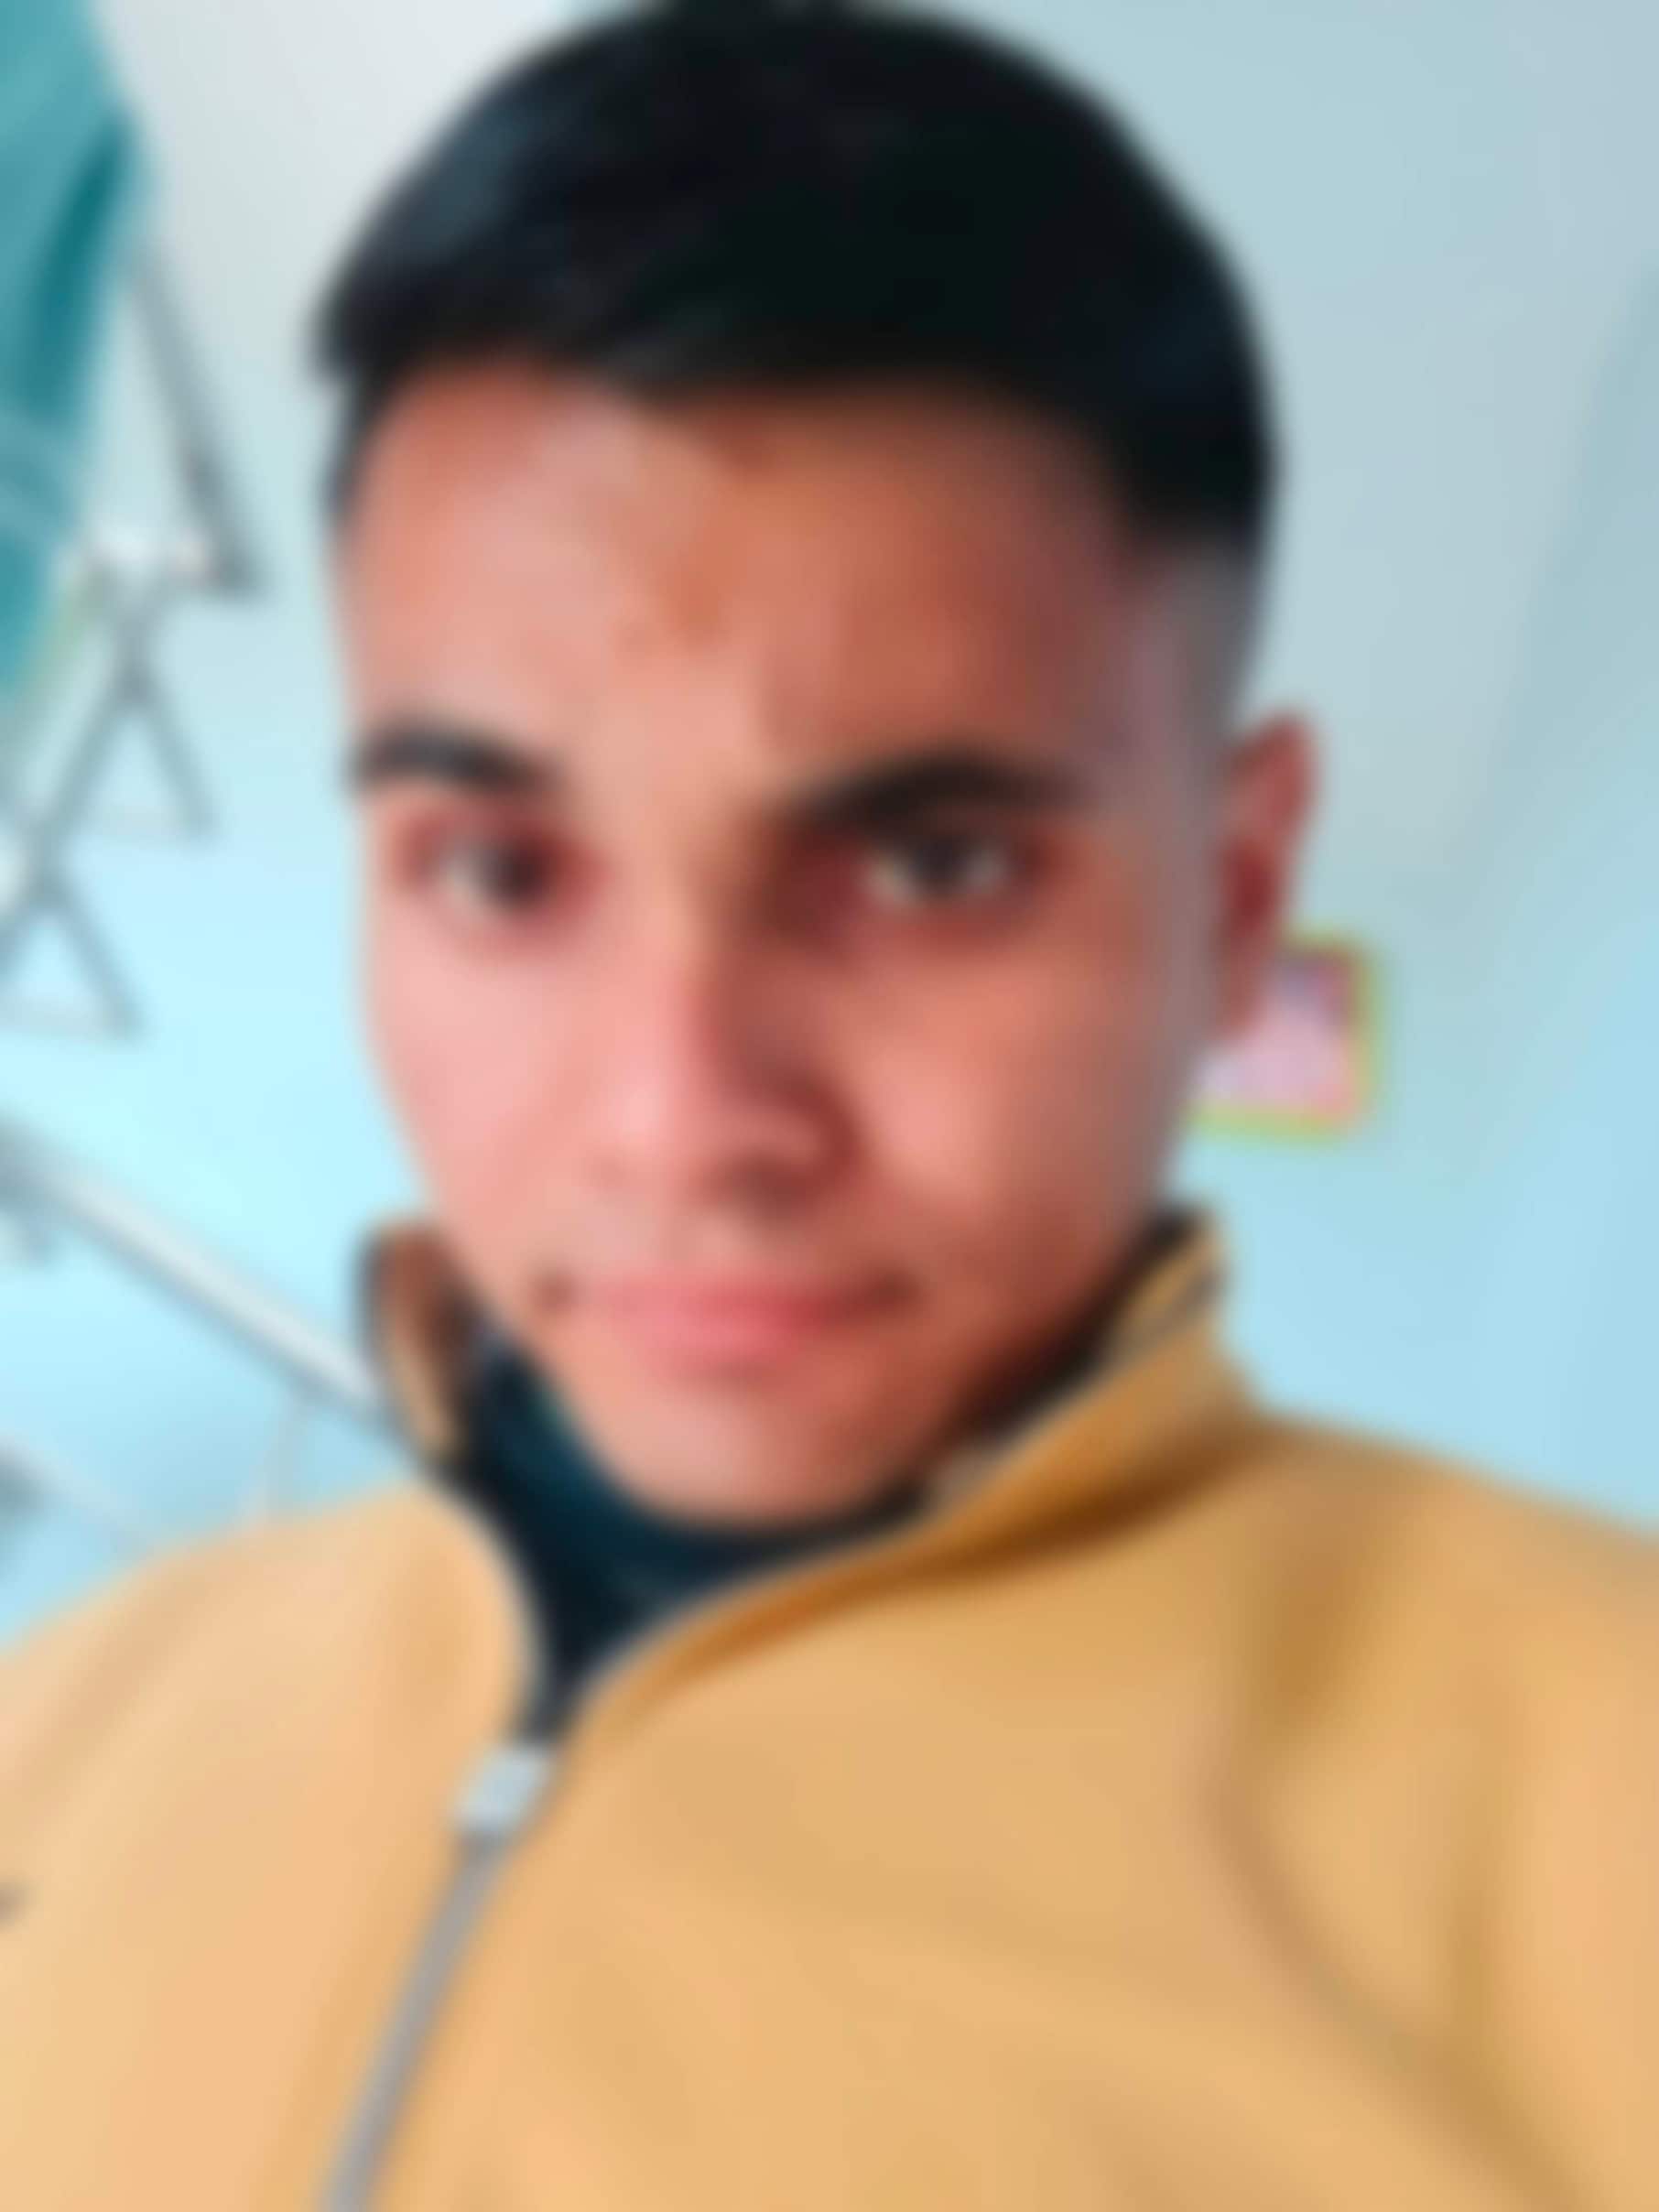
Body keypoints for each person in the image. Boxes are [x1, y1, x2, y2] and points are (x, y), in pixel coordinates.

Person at [2, 4, 1654, 2206]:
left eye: (934, 865)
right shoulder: (61, 1724)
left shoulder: (1608, 1802)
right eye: (499, 871)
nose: (682, 1117)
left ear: (1239, 897)